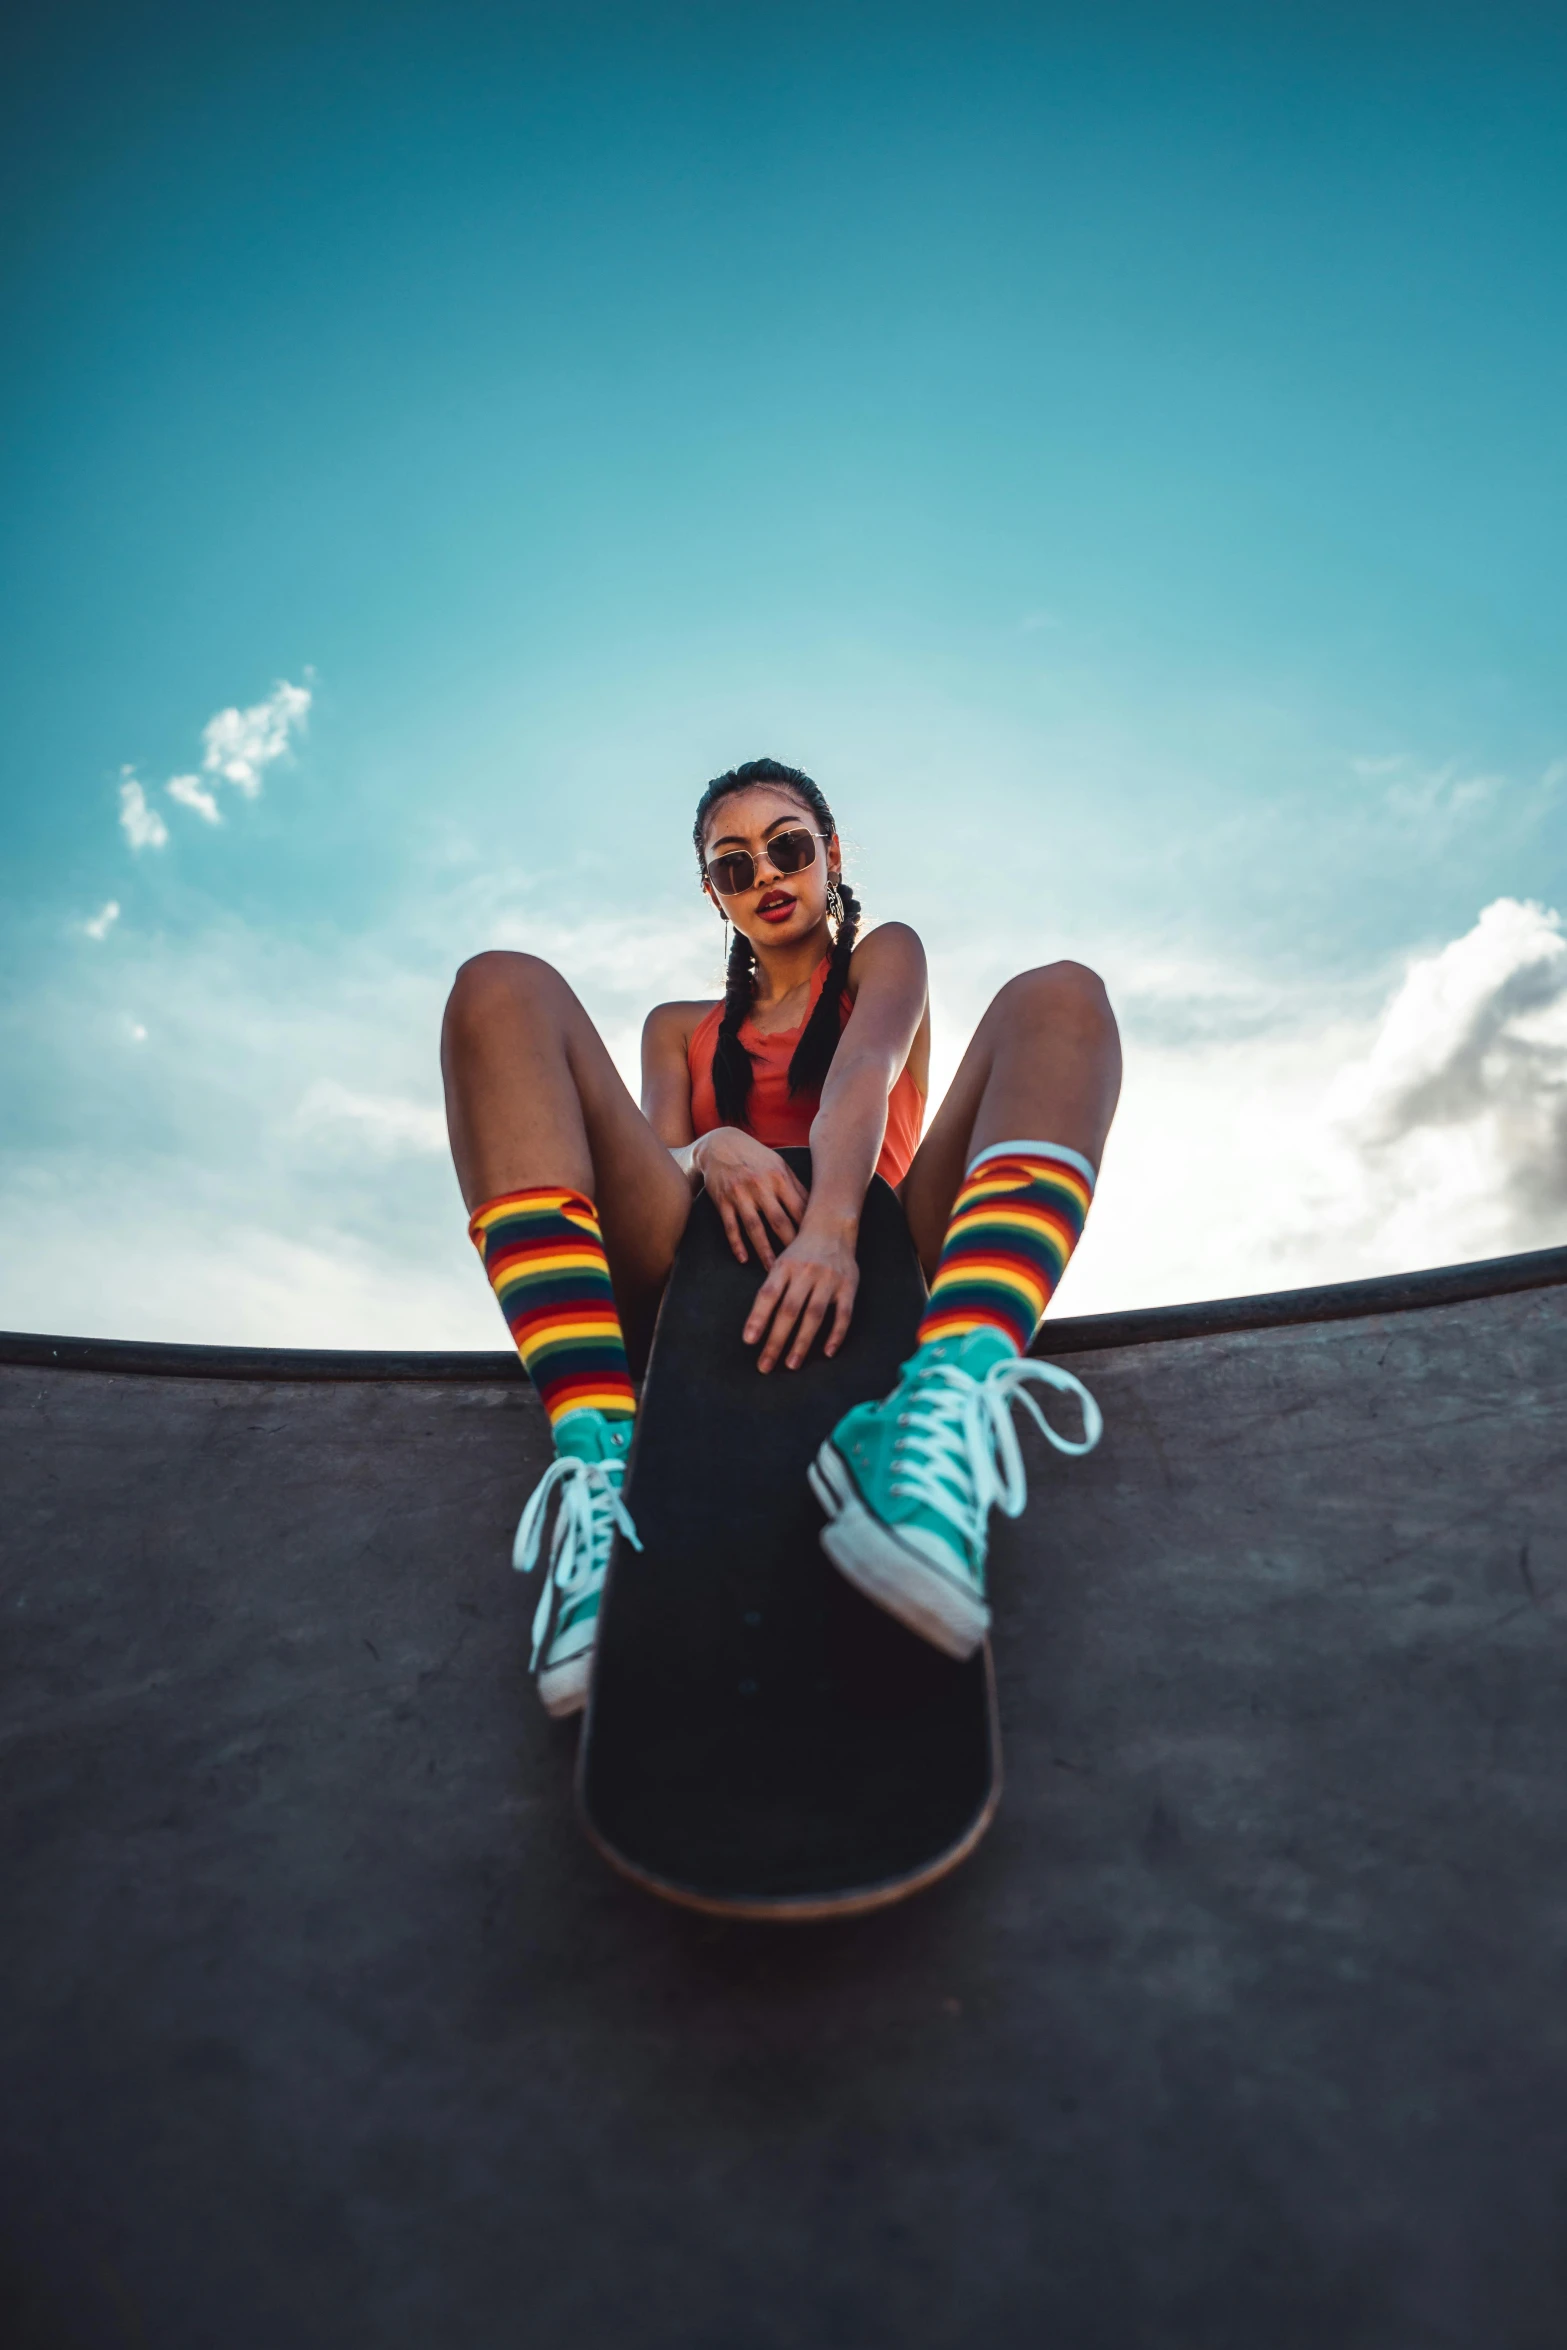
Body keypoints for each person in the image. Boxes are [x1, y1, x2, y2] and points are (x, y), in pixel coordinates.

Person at [441, 757, 1122, 1716]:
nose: (766, 874)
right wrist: (709, 1146)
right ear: (713, 894)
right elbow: (651, 1154)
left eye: (788, 847)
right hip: (691, 1276)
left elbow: (863, 1075)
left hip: (880, 1253)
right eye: (733, 865)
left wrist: (831, 1229)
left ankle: (940, 1407)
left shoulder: (886, 955)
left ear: (830, 855)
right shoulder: (677, 1026)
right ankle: (600, 1469)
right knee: (497, 985)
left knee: (1062, 994)